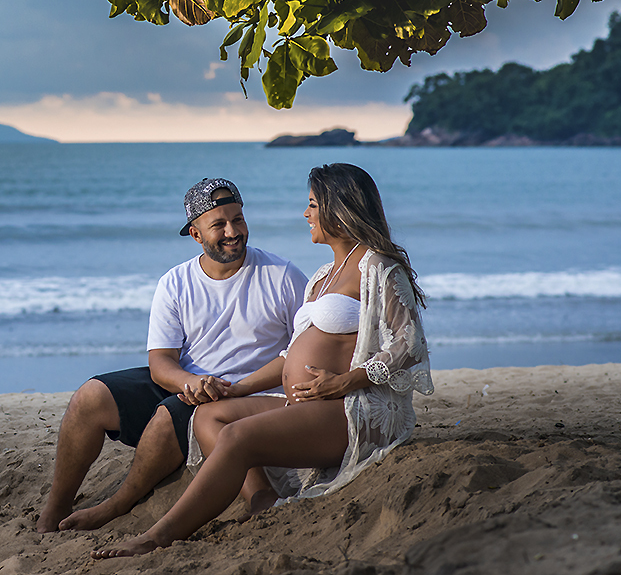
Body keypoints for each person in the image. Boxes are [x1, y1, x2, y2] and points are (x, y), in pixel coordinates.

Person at [91, 163, 433, 558]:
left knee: (238, 438)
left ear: (340, 208)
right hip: (305, 403)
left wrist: (346, 381)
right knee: (209, 416)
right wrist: (237, 390)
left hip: (348, 408)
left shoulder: (377, 266)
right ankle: (261, 498)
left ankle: (158, 536)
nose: (305, 214)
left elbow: (410, 343)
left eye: (313, 204)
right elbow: (291, 353)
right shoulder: (324, 275)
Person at [36, 178, 309, 534]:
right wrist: (191, 382)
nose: (233, 232)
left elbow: (301, 352)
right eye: (219, 224)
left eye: (238, 220)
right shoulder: (176, 282)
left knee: (169, 415)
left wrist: (235, 388)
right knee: (90, 396)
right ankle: (55, 508)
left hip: (249, 394)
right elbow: (161, 362)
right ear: (196, 234)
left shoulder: (283, 276)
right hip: (192, 382)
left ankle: (116, 505)